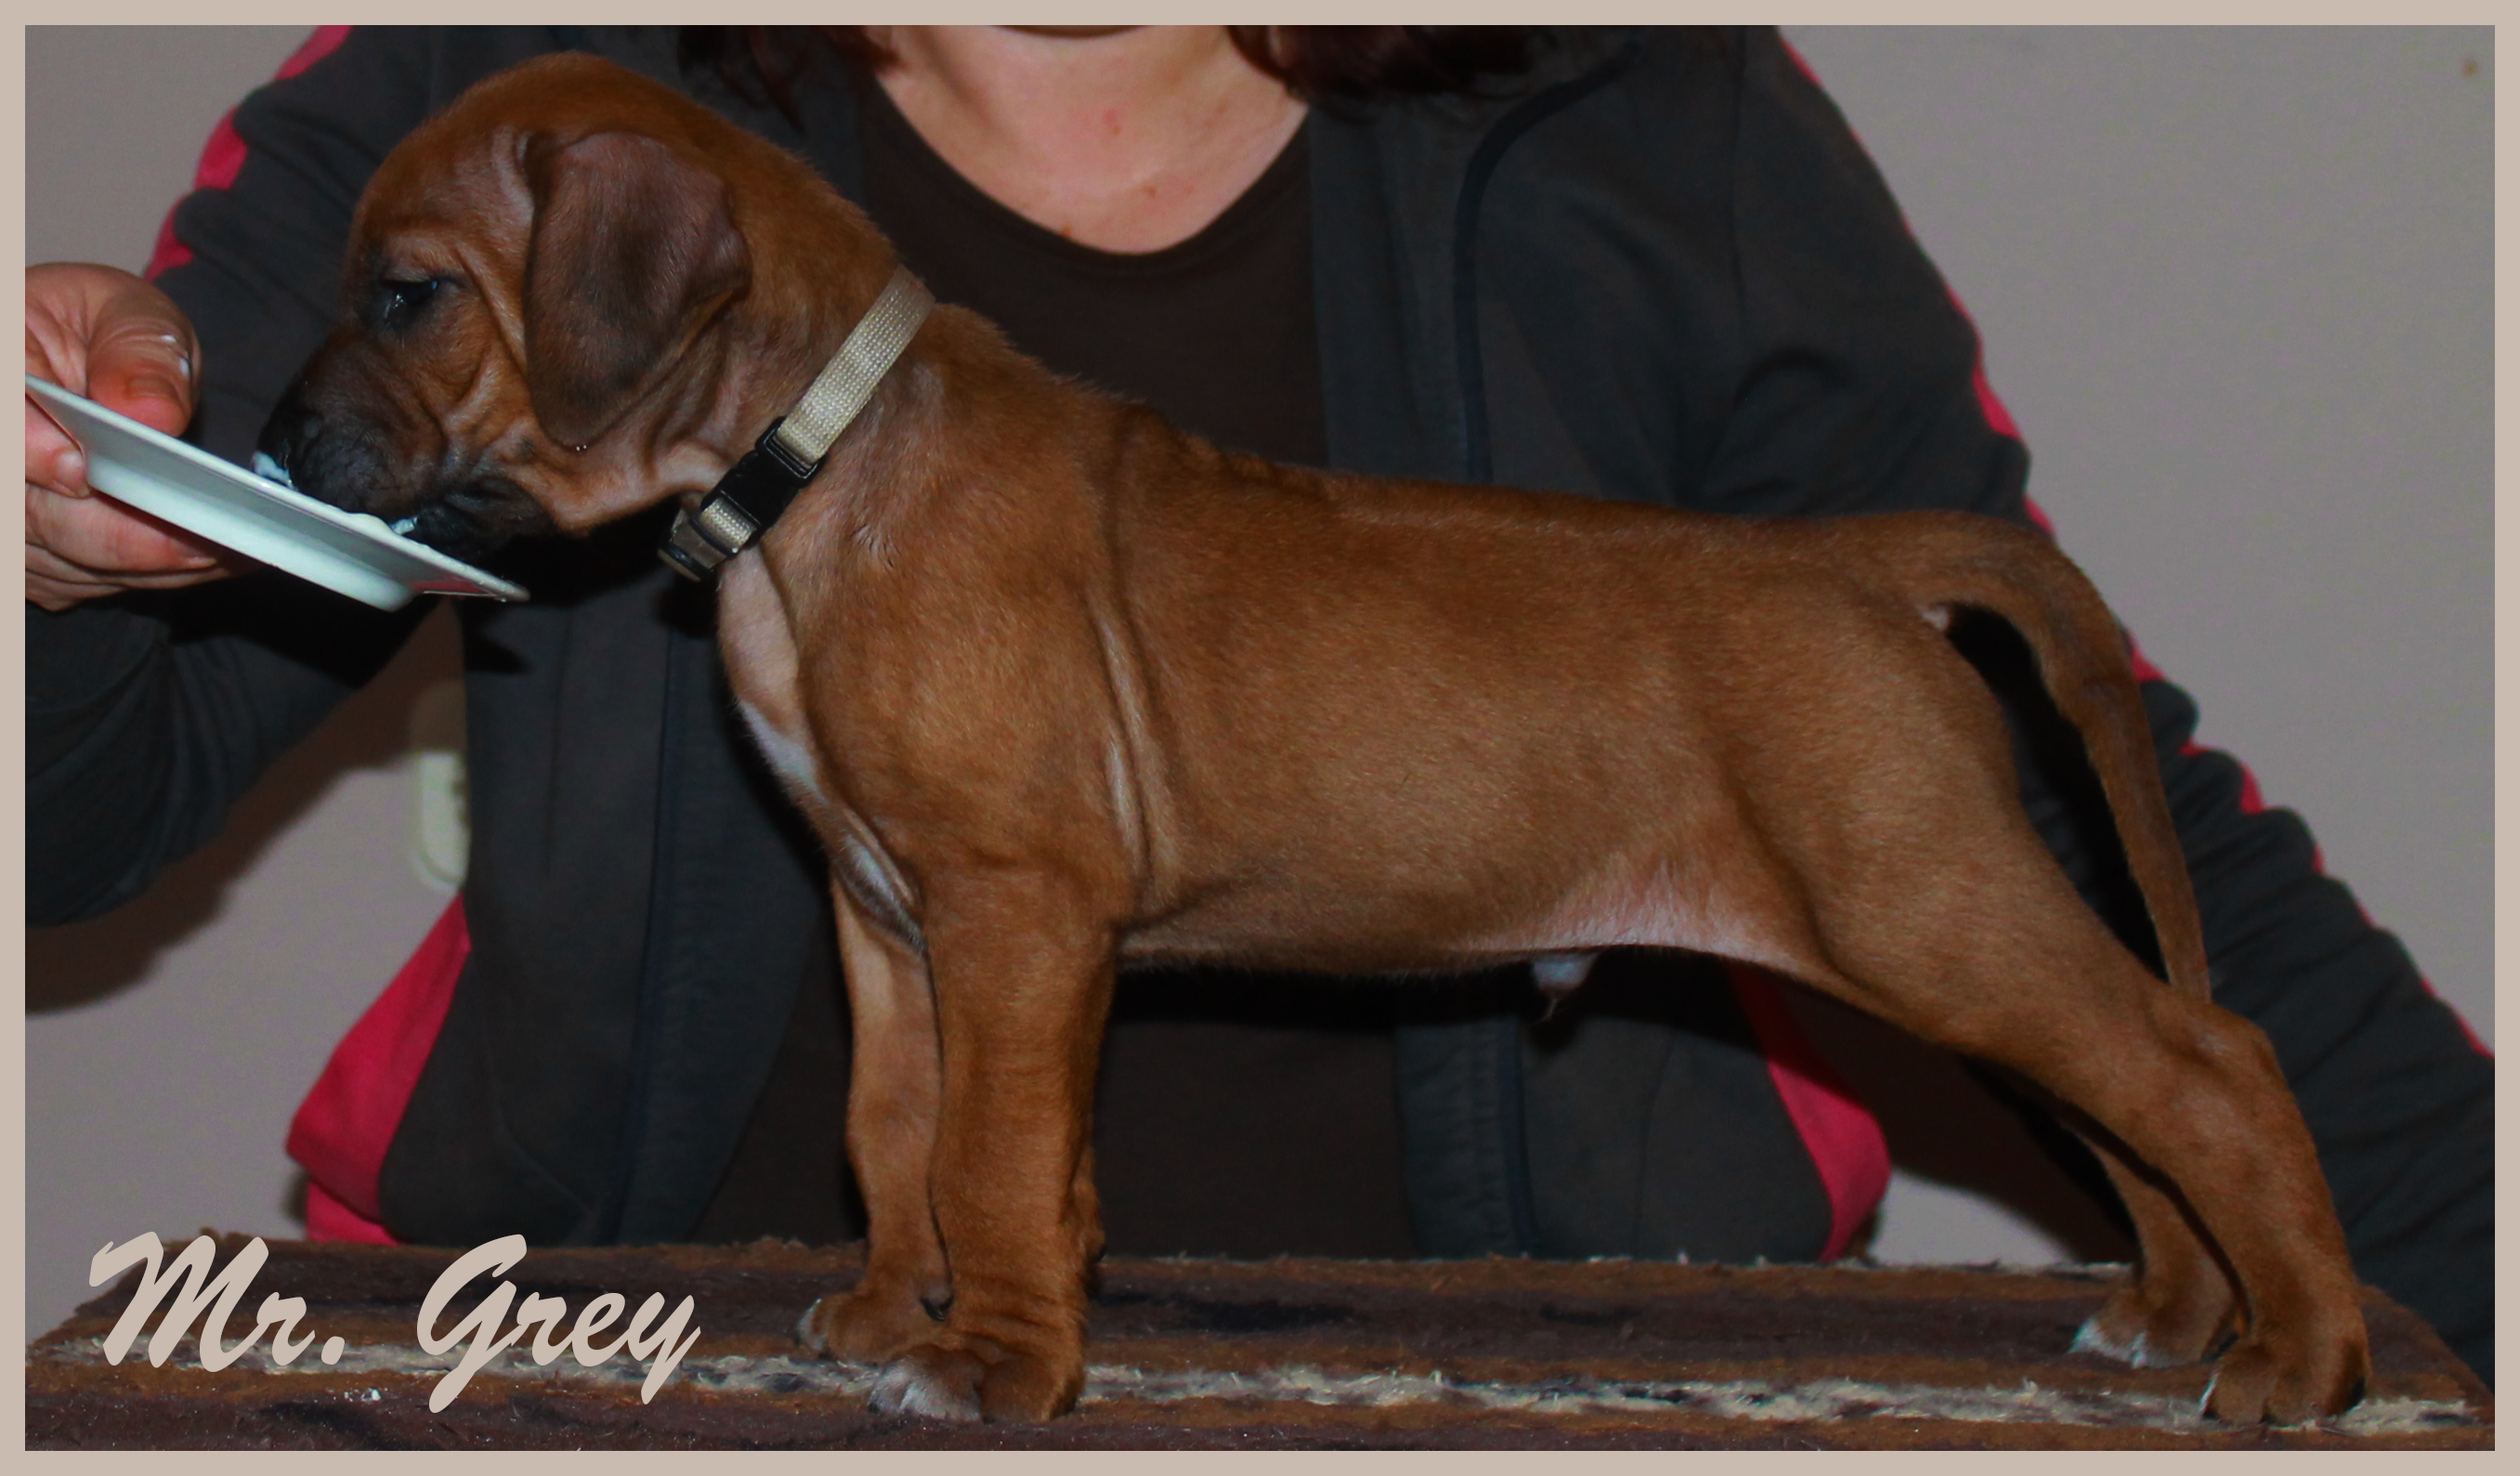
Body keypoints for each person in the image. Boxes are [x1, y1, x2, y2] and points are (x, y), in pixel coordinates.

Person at [27, 25, 2491, 1384]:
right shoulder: (502, 85)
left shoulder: (1663, 122)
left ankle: (2247, 1260)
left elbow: (2098, 829)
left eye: (420, 319)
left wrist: (2446, 1269)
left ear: (625, 296)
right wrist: (55, 522)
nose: (377, 363)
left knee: (2010, 971)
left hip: (1558, 1369)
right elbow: (78, 803)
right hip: (607, 1357)